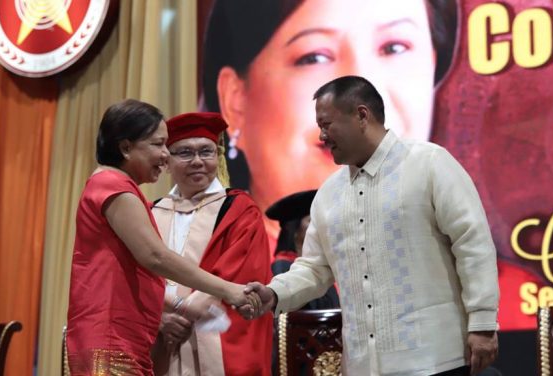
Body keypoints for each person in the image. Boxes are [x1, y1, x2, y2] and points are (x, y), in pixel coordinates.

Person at [247, 76, 499, 376]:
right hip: (363, 366)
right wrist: (274, 294)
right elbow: (315, 268)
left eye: (326, 124)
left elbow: (473, 242)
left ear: (362, 115)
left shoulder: (429, 163)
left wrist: (483, 323)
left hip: (437, 359)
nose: (322, 136)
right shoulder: (329, 194)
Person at [202, 0, 458, 239]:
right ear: (235, 101)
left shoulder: (475, 278)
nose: (363, 96)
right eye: (314, 57)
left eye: (394, 48)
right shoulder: (209, 270)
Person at [66, 100, 260, 375]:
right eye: (158, 145)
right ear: (125, 147)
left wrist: (179, 306)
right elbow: (155, 257)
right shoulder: (113, 187)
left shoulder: (114, 186)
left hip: (121, 335)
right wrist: (229, 290)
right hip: (111, 337)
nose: (165, 156)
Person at [150, 112, 273, 375]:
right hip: (158, 340)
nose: (197, 161)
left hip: (216, 340)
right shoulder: (152, 212)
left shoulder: (239, 209)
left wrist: (184, 314)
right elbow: (138, 276)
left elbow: (239, 273)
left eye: (206, 152)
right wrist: (160, 319)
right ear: (167, 161)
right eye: (184, 153)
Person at [266, 190, 339, 310]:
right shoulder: (283, 268)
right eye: (310, 221)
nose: (318, 227)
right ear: (293, 229)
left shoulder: (320, 268)